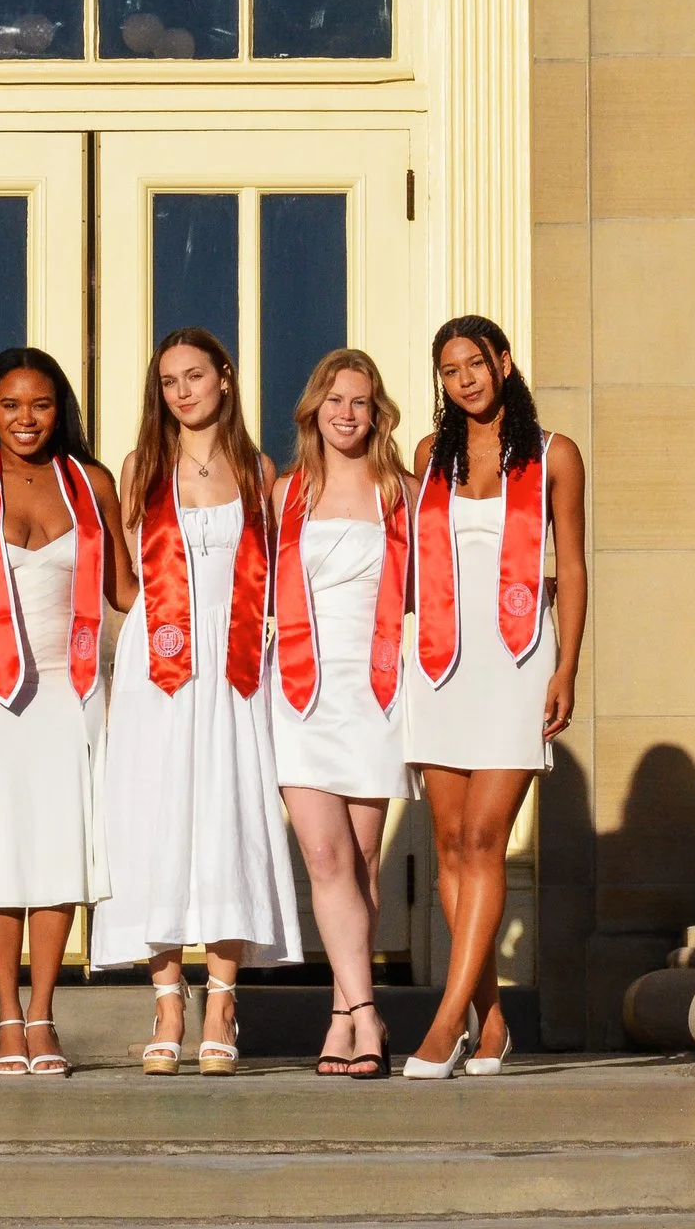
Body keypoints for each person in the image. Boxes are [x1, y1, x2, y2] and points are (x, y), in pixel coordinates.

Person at [93, 327, 303, 1075]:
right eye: (168, 382)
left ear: (225, 377)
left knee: (227, 818)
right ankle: (166, 1001)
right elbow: (123, 584)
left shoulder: (257, 469)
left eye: (194, 376)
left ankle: (221, 999)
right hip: (164, 664)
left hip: (235, 665)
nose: (182, 392)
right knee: (157, 820)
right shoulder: (141, 467)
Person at [0, 349, 136, 1078]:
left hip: (69, 685)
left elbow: (126, 592)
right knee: (2, 850)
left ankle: (44, 1016)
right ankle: (5, 1016)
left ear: (61, 411)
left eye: (41, 405)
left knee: (55, 849)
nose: (26, 419)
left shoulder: (92, 483)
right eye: (11, 405)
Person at [402, 315, 586, 1079]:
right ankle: (495, 1022)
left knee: (483, 840)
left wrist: (566, 669)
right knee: (447, 844)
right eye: (449, 370)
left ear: (504, 363)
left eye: (475, 364)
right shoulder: (428, 456)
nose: (464, 380)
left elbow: (570, 568)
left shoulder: (553, 456)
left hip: (515, 661)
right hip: (441, 661)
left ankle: (447, 1022)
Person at [269, 349, 416, 1080]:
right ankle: (366, 1013)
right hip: (299, 690)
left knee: (361, 863)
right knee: (323, 857)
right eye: (335, 400)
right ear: (314, 410)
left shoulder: (403, 493)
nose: (347, 413)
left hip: (376, 688)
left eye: (359, 401)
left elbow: (446, 585)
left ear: (376, 411)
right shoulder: (284, 495)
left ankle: (344, 1014)